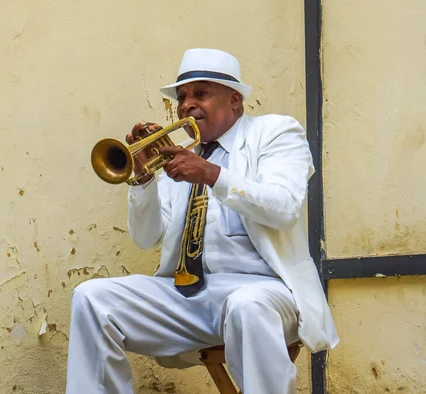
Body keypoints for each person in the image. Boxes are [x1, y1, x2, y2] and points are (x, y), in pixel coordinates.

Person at [66, 48, 339, 394]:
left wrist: (212, 175)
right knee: (91, 297)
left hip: (266, 292)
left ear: (235, 100)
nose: (186, 105)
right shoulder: (180, 154)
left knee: (247, 304)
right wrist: (143, 181)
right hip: (188, 296)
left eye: (201, 93)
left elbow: (283, 207)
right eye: (181, 97)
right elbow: (146, 238)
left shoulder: (275, 132)